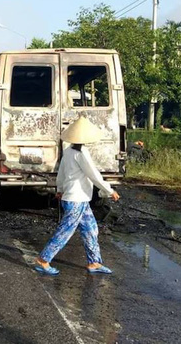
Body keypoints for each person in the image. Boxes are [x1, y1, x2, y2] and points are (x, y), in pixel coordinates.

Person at [34, 117, 120, 276]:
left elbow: (61, 173)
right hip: (76, 200)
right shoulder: (81, 153)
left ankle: (94, 262)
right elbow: (94, 175)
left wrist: (59, 189)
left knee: (91, 229)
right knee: (65, 231)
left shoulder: (69, 152)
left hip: (79, 199)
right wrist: (109, 190)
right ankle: (43, 260)